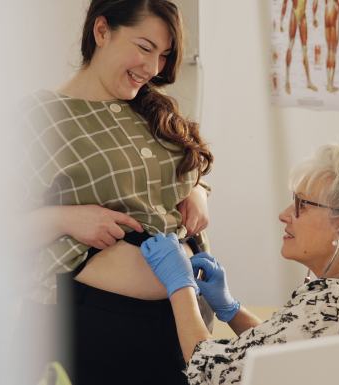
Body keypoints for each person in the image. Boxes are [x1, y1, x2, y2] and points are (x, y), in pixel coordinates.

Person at [17, 1, 214, 384]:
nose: (153, 68)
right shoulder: (37, 119)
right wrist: (64, 218)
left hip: (185, 318)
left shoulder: (152, 111)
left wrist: (198, 190)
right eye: (144, 47)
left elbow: (159, 180)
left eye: (164, 55)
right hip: (97, 329)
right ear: (102, 31)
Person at [141, 137, 339, 384]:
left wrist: (180, 288)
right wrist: (232, 310)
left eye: (302, 204)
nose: (285, 214)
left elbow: (213, 372)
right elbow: (282, 351)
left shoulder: (335, 300)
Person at [280, 0, 319, 94]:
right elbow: (285, 2)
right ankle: (287, 81)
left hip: (302, 16)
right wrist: (281, 21)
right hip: (294, 13)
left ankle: (308, 81)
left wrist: (314, 16)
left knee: (304, 49)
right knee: (291, 45)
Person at [324, 0, 339, 92]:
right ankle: (331, 85)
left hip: (327, 15)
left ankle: (328, 83)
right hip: (333, 16)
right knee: (333, 51)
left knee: (329, 51)